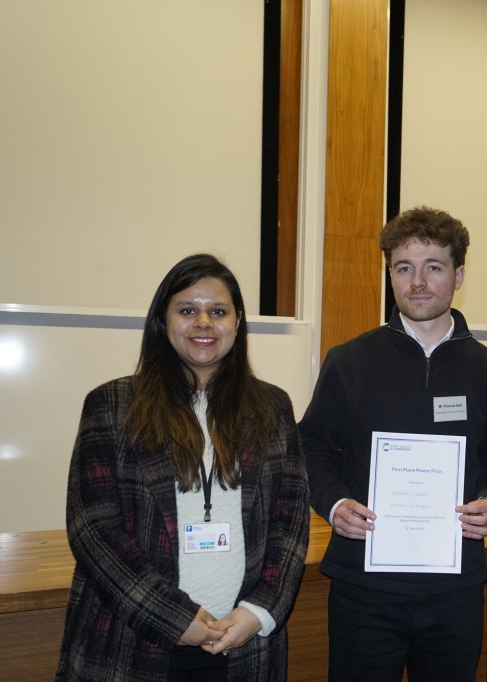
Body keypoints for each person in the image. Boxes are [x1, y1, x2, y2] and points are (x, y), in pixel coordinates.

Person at [56, 254, 310, 681]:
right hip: (135, 641)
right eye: (188, 310)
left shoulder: (271, 407)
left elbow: (291, 521)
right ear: (163, 319)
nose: (204, 323)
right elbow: (93, 528)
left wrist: (259, 610)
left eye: (218, 311)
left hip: (244, 645)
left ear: (238, 320)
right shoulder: (113, 405)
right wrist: (176, 618)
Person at [298, 206, 487, 682]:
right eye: (404, 268)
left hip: (456, 587)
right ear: (391, 275)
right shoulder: (349, 361)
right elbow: (312, 445)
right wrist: (334, 504)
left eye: (433, 267)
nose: (417, 281)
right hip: (365, 586)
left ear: (458, 275)